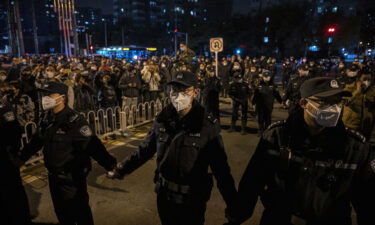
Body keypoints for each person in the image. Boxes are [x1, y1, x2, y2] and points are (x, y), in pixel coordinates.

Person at [227, 77, 375, 225]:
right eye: (325, 102)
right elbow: (253, 181)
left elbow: (367, 198)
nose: (334, 108)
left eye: (337, 101)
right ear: (304, 103)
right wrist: (237, 217)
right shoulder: (278, 136)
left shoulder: (355, 147)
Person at [108, 71, 237, 225]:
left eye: (184, 91)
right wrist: (122, 169)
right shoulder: (163, 119)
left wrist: (234, 205)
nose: (178, 95)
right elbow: (145, 149)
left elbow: (221, 169)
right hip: (164, 196)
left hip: (192, 201)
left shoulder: (206, 125)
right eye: (174, 90)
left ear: (195, 93)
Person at [26, 82, 117, 225]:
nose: (46, 98)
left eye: (50, 94)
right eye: (45, 94)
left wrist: (110, 164)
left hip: (71, 180)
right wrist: (19, 158)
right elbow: (36, 141)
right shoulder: (47, 118)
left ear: (62, 98)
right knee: (62, 215)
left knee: (80, 215)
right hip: (54, 178)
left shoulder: (74, 120)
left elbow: (93, 145)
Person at [0, 98, 31, 225]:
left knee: (13, 193)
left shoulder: (4, 106)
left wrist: (12, 153)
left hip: (5, 160)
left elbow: (13, 132)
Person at [342, 68, 375, 140]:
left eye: (369, 80)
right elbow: (345, 103)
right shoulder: (349, 88)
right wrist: (357, 91)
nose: (367, 82)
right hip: (350, 126)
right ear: (358, 79)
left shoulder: (372, 91)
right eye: (365, 79)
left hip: (366, 127)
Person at [252, 71, 282, 136]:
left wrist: (281, 102)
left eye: (268, 76)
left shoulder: (273, 86)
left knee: (268, 119)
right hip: (260, 105)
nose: (267, 78)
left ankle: (267, 131)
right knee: (260, 118)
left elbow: (277, 95)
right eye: (265, 77)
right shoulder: (259, 85)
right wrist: (253, 102)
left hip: (269, 105)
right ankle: (260, 130)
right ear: (263, 77)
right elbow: (256, 95)